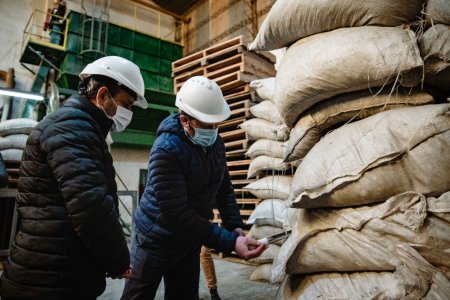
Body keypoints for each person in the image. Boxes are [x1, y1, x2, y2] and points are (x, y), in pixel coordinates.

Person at [0, 56, 149, 300]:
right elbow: (91, 208)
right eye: (127, 104)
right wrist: (119, 261)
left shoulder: (81, 127)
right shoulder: (73, 129)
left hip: (56, 267)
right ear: (102, 96)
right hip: (50, 277)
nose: (128, 112)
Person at [121, 76, 267, 300]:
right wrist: (229, 243)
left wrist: (235, 227)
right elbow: (176, 214)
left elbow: (223, 186)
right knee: (138, 295)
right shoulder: (166, 150)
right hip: (154, 240)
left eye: (217, 125)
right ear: (185, 121)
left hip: (188, 240)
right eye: (207, 125)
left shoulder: (215, 144)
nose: (213, 130)